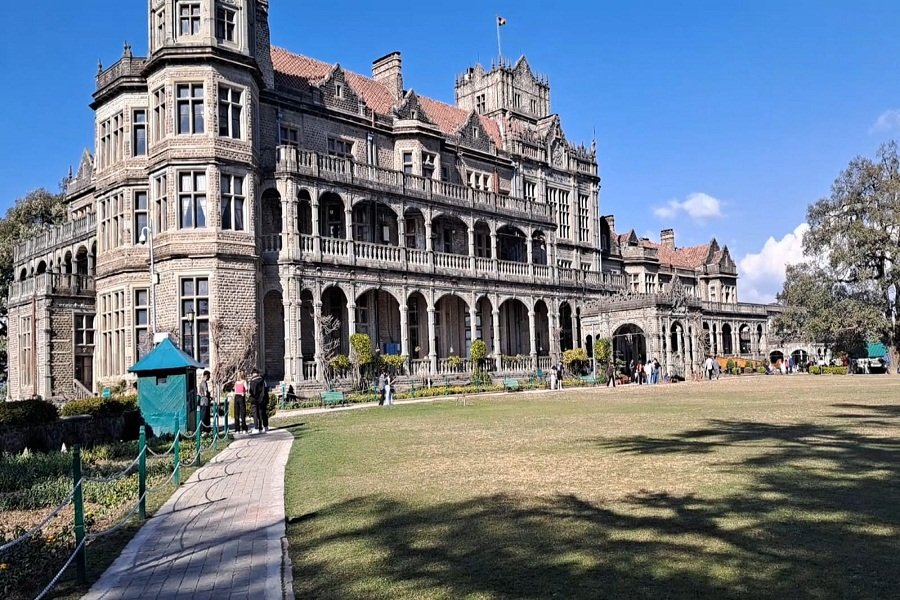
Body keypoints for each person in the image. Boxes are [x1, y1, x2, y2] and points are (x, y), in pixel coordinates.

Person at [248, 368, 268, 433]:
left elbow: (251, 391)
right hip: (262, 399)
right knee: (262, 413)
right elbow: (266, 389)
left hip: (255, 399)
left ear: (253, 374)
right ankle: (264, 426)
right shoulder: (263, 380)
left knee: (255, 413)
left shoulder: (252, 381)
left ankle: (257, 427)